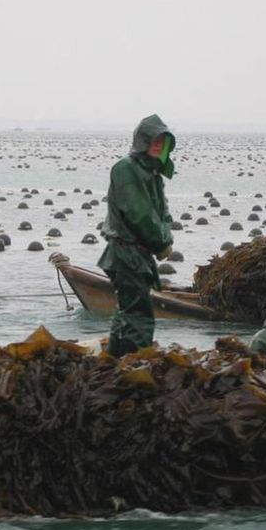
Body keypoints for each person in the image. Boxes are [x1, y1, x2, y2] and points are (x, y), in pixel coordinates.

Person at [98, 114, 176, 357]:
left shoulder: (153, 174)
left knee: (127, 311)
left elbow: (162, 213)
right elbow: (139, 214)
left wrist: (167, 239)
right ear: (142, 141)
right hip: (126, 253)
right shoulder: (126, 169)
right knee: (139, 315)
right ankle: (134, 365)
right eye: (153, 140)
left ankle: (114, 360)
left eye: (163, 142)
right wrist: (161, 242)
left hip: (137, 254)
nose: (158, 145)